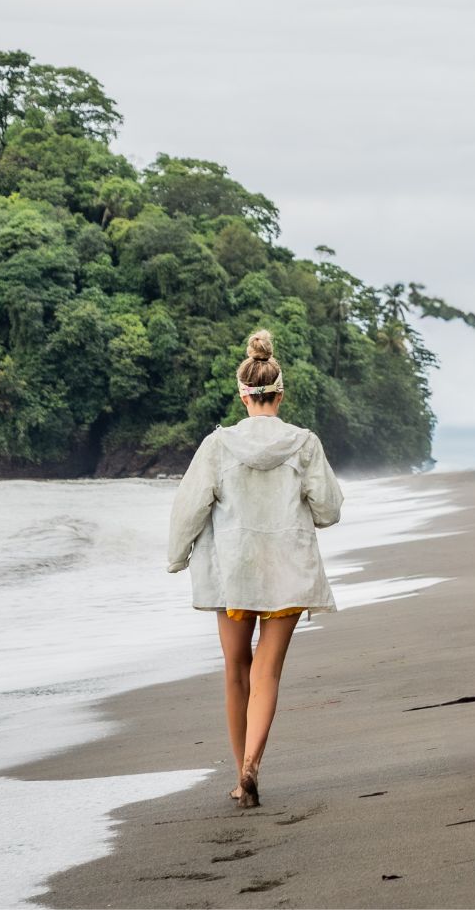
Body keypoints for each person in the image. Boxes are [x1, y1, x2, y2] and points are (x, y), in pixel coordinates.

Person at [167, 329, 343, 808]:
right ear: (279, 395)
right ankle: (252, 766)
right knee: (267, 672)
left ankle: (238, 775)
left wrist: (177, 557)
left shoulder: (217, 445)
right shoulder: (304, 444)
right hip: (288, 568)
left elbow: (188, 508)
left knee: (236, 670)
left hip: (233, 572)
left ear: (243, 395)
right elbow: (328, 510)